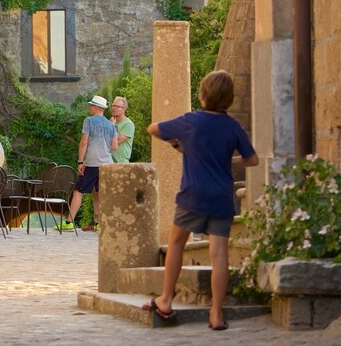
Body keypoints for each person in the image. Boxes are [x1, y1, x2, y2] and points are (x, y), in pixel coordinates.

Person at [144, 70, 259, 331]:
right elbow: (253, 160)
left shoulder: (191, 121)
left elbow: (153, 129)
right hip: (221, 198)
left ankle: (165, 299)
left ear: (203, 94)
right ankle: (216, 314)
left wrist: (178, 144)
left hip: (192, 195)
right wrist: (230, 160)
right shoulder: (233, 126)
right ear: (229, 98)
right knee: (219, 255)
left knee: (175, 244)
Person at [56, 95, 117, 232]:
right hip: (107, 164)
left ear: (96, 107)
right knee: (99, 193)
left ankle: (69, 222)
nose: (89, 108)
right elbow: (114, 146)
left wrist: (80, 161)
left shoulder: (89, 121)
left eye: (91, 105)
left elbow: (84, 142)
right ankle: (99, 223)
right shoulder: (111, 125)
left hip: (92, 163)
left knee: (78, 191)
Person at [110, 96, 136, 163]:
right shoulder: (110, 122)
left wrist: (112, 126)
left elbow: (117, 141)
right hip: (108, 161)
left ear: (123, 109)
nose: (113, 108)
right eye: (113, 106)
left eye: (117, 107)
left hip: (121, 163)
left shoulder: (128, 124)